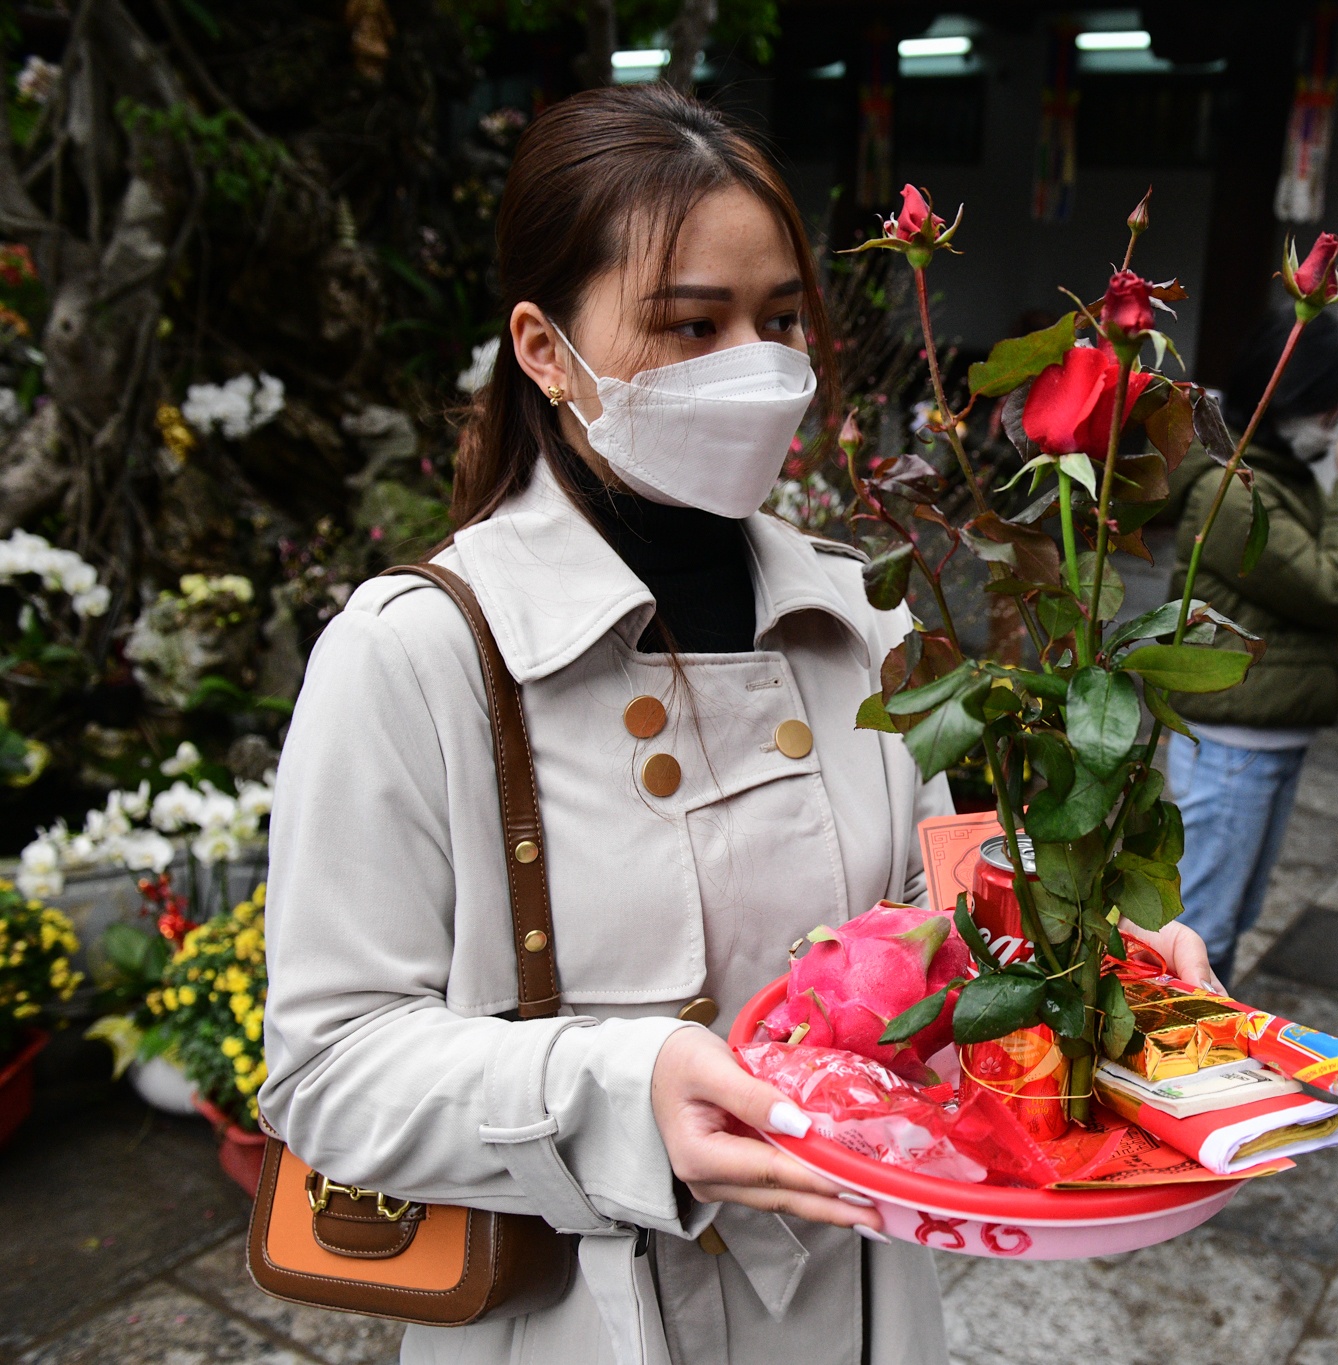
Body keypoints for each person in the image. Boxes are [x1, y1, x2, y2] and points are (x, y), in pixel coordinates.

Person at [257, 86, 1214, 1365]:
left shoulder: (860, 618)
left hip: (858, 1289)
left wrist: (1073, 955)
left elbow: (917, 934)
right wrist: (622, 1092)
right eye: (689, 324)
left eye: (777, 322)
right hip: (586, 1318)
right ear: (544, 349)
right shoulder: (418, 653)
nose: (753, 370)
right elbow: (325, 1069)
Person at [1163, 311, 1338, 985]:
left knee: (1230, 918)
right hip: (1233, 744)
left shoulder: (1278, 476)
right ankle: (1178, 1065)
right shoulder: (1231, 493)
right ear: (1288, 399)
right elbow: (1331, 585)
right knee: (1201, 927)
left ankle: (1203, 1056)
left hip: (1263, 734)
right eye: (1331, 409)